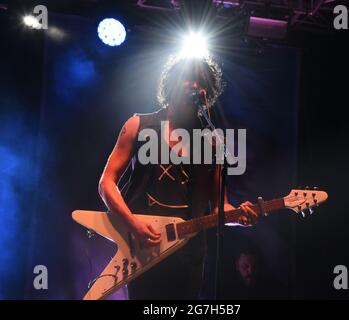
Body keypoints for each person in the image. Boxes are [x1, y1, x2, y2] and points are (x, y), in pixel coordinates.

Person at [98, 54, 258, 299]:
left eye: (201, 81)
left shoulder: (212, 142)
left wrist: (239, 216)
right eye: (188, 78)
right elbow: (107, 182)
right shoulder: (139, 125)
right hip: (144, 245)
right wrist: (133, 223)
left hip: (189, 252)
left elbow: (219, 207)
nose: (195, 85)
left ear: (209, 92)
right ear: (172, 81)